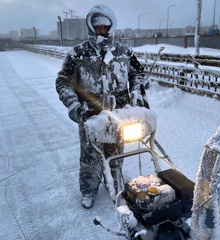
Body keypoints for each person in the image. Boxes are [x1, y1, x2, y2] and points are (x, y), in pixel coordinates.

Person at [55, 4, 148, 209]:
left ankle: (114, 184)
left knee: (116, 152)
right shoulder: (78, 54)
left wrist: (136, 93)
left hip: (119, 113)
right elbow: (63, 81)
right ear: (90, 26)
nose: (101, 31)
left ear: (111, 26)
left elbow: (139, 74)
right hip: (89, 115)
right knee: (90, 155)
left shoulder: (124, 52)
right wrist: (73, 105)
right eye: (97, 27)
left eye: (105, 26)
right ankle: (88, 190)